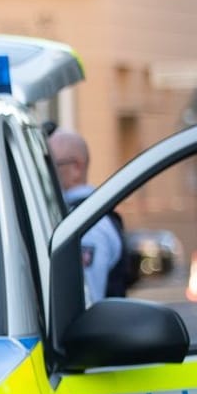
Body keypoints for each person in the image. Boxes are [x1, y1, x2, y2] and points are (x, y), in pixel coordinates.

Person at [49, 129, 128, 302]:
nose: (48, 173)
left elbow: (88, 301)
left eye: (52, 165)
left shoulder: (88, 226)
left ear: (77, 167)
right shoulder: (87, 214)